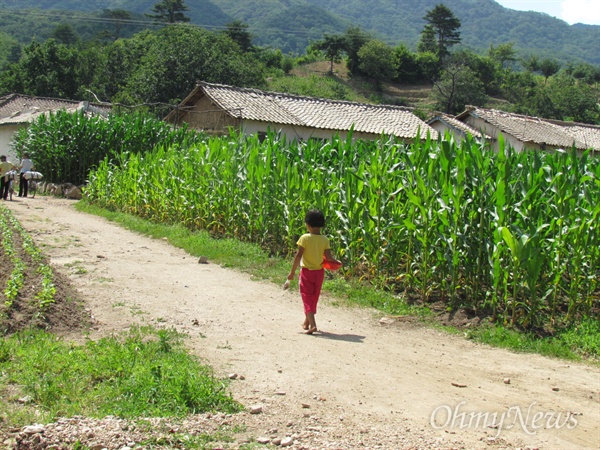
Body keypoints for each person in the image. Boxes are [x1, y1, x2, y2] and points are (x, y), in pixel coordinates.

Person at [287, 209, 342, 335]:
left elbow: (298, 256)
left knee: (306, 298)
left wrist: (292, 273)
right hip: (319, 273)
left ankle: (313, 325)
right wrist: (337, 262)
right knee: (313, 298)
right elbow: (329, 258)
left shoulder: (304, 238)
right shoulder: (324, 239)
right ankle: (306, 322)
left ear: (308, 224)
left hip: (307, 272)